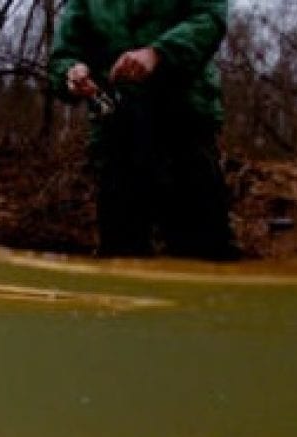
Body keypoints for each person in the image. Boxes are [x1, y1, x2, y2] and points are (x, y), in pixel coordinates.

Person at [49, 0, 239, 261]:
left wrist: (158, 54)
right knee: (121, 250)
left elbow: (209, 17)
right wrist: (71, 75)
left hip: (184, 125)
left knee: (203, 248)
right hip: (117, 132)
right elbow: (64, 55)